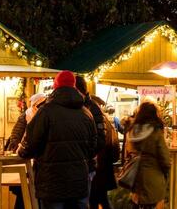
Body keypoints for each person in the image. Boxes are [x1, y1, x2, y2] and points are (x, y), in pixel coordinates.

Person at [20, 70, 97, 209]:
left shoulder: (45, 112)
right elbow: (92, 149)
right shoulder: (86, 114)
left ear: (55, 86)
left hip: (51, 184)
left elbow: (30, 144)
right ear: (74, 86)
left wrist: (21, 150)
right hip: (78, 183)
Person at [123, 102, 170, 209]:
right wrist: (165, 172)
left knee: (138, 204)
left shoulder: (132, 131)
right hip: (153, 177)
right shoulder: (156, 132)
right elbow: (165, 159)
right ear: (154, 114)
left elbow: (127, 152)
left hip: (135, 176)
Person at [89, 97, 119, 209]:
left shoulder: (98, 121)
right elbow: (115, 147)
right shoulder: (106, 121)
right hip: (105, 167)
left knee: (96, 200)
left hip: (98, 168)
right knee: (101, 198)